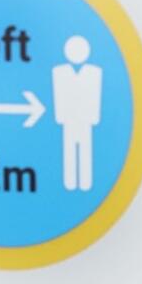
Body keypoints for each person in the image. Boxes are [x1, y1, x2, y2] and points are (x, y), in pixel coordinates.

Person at [52, 35, 103, 192]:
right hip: (67, 120)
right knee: (69, 150)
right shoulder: (59, 72)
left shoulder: (93, 72)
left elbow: (95, 95)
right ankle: (70, 183)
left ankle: (85, 183)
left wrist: (94, 118)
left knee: (85, 149)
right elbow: (58, 95)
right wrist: (60, 117)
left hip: (86, 120)